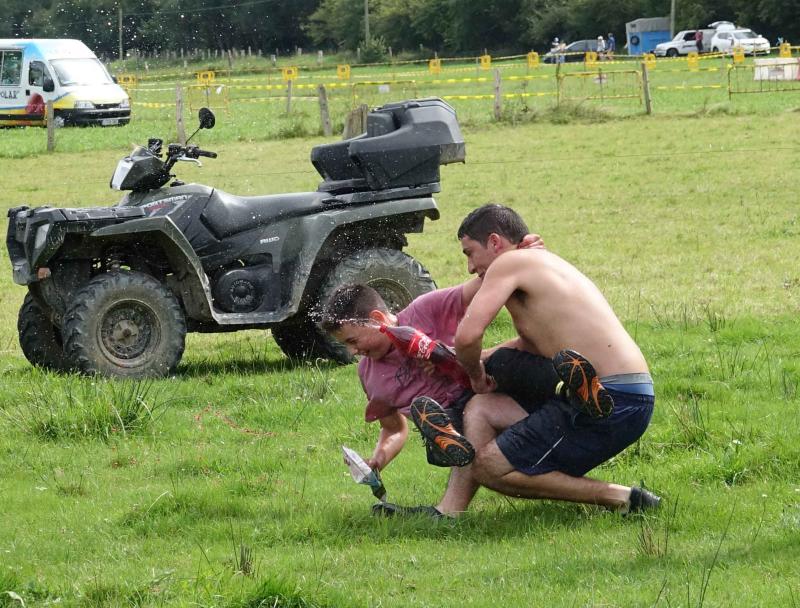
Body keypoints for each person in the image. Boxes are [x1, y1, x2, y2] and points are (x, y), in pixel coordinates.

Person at [412, 203, 660, 514]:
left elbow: (467, 336)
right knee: (482, 407)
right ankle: (448, 511)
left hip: (615, 396)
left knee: (489, 467)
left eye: (469, 253)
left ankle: (622, 498)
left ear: (494, 242)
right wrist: (450, 359)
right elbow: (528, 346)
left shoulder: (510, 264)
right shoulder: (540, 264)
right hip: (627, 391)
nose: (470, 267)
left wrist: (474, 374)